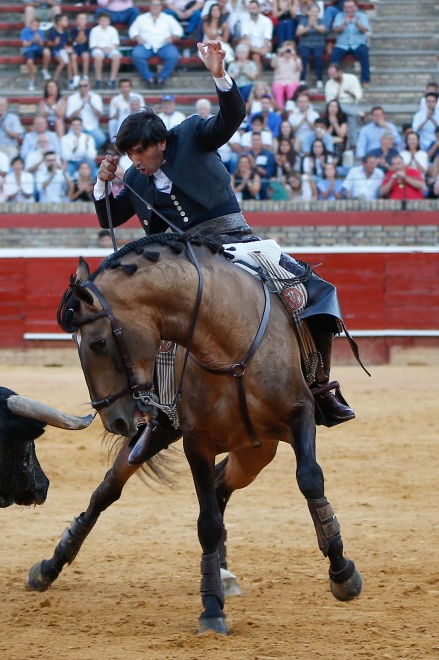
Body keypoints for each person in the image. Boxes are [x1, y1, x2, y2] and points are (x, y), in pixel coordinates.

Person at [94, 40, 355, 424]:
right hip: (183, 261)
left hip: (237, 244)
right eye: (129, 154)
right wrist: (102, 186)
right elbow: (109, 218)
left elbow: (230, 118)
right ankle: (162, 409)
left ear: (160, 144)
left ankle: (317, 386)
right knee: (154, 322)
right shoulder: (135, 176)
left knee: (308, 292)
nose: (134, 161)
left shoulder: (192, 135)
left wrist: (219, 74)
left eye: (139, 153)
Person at [128, 0, 183, 89]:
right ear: (150, 6)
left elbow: (178, 30)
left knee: (173, 55)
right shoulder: (141, 18)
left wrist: (173, 36)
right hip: (146, 44)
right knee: (136, 54)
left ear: (161, 7)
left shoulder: (168, 18)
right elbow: (132, 31)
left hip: (164, 45)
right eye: (153, 5)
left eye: (157, 5)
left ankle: (161, 78)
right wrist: (137, 37)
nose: (155, 7)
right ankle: (149, 78)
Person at [329, 0, 370, 87]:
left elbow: (365, 30)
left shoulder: (361, 16)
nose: (349, 10)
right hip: (342, 44)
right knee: (334, 56)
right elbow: (336, 30)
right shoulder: (339, 16)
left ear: (355, 7)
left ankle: (365, 80)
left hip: (358, 44)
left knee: (364, 54)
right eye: (347, 7)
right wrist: (345, 23)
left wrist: (357, 23)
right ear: (343, 8)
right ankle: (335, 79)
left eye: (351, 7)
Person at [294, 2, 326, 87]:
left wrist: (314, 25)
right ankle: (302, 79)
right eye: (312, 11)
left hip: (318, 44)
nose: (314, 14)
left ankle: (319, 80)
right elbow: (298, 32)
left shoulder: (321, 21)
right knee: (304, 57)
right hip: (305, 44)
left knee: (318, 56)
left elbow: (322, 30)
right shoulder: (303, 21)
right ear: (308, 12)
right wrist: (309, 27)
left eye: (316, 12)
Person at [88, 11, 121, 92]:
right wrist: (103, 49)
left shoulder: (113, 30)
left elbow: (116, 43)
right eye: (102, 20)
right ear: (99, 21)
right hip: (98, 49)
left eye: (105, 20)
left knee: (117, 56)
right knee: (98, 57)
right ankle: (98, 79)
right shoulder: (94, 30)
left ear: (109, 21)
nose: (104, 22)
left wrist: (110, 48)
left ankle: (112, 80)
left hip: (111, 49)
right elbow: (92, 45)